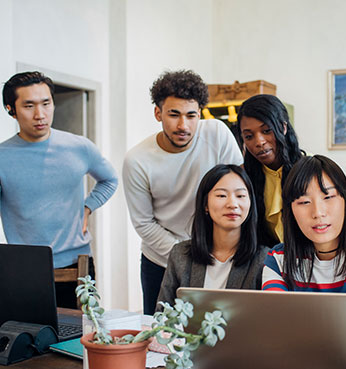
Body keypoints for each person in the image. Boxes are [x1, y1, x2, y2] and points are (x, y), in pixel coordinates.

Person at [123, 70, 243, 314]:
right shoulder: (137, 160)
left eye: (191, 115)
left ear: (200, 113)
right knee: (160, 338)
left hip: (218, 255)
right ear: (158, 114)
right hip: (161, 261)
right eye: (173, 115)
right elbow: (144, 223)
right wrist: (187, 256)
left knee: (219, 334)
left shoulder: (217, 134)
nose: (183, 125)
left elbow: (240, 189)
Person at [0, 71, 118, 308]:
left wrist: (88, 207)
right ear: (10, 109)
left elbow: (110, 180)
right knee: (29, 339)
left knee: (82, 338)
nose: (40, 115)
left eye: (46, 103)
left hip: (78, 263)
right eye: (29, 106)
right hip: (24, 268)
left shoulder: (79, 147)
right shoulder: (3, 157)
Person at [262, 155, 346, 340]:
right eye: (304, 202)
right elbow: (277, 321)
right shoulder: (278, 259)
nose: (318, 213)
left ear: (345, 201)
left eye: (328, 197)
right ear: (290, 210)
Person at [156, 164, 268, 307]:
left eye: (240, 196)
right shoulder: (180, 255)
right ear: (205, 205)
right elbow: (162, 316)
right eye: (221, 195)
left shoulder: (265, 259)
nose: (233, 204)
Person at [236, 94, 305, 247]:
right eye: (249, 136)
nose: (259, 142)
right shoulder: (242, 178)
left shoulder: (310, 170)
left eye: (266, 131)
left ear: (283, 127)